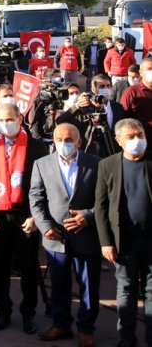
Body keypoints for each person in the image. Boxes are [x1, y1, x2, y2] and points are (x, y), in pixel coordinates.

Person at [29, 123, 101, 347]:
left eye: (69, 140)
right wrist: (45, 226)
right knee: (59, 284)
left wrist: (88, 216)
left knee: (88, 285)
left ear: (79, 142)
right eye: (59, 140)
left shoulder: (96, 164)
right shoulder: (42, 164)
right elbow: (36, 198)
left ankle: (86, 329)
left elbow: (105, 200)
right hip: (55, 237)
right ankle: (61, 324)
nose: (64, 144)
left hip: (86, 235)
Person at [0, 103, 44, 334]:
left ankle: (28, 315)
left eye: (10, 119)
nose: (6, 124)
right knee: (1, 270)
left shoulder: (36, 147)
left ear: (19, 118)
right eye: (2, 120)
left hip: (26, 217)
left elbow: (42, 185)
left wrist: (36, 217)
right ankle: (3, 312)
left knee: (28, 268)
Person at [95, 118, 152, 347]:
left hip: (150, 239)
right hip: (123, 241)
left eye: (140, 135)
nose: (137, 140)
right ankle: (126, 339)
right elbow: (100, 206)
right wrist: (105, 242)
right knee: (126, 289)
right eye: (131, 137)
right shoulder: (107, 165)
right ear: (119, 141)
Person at [56, 74, 125, 157]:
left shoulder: (117, 107)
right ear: (93, 89)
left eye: (108, 86)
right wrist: (77, 106)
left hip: (113, 151)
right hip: (92, 152)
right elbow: (60, 121)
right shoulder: (84, 108)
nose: (106, 89)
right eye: (102, 86)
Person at [121, 57, 152, 140]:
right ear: (141, 73)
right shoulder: (132, 92)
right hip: (142, 141)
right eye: (149, 69)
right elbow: (124, 118)